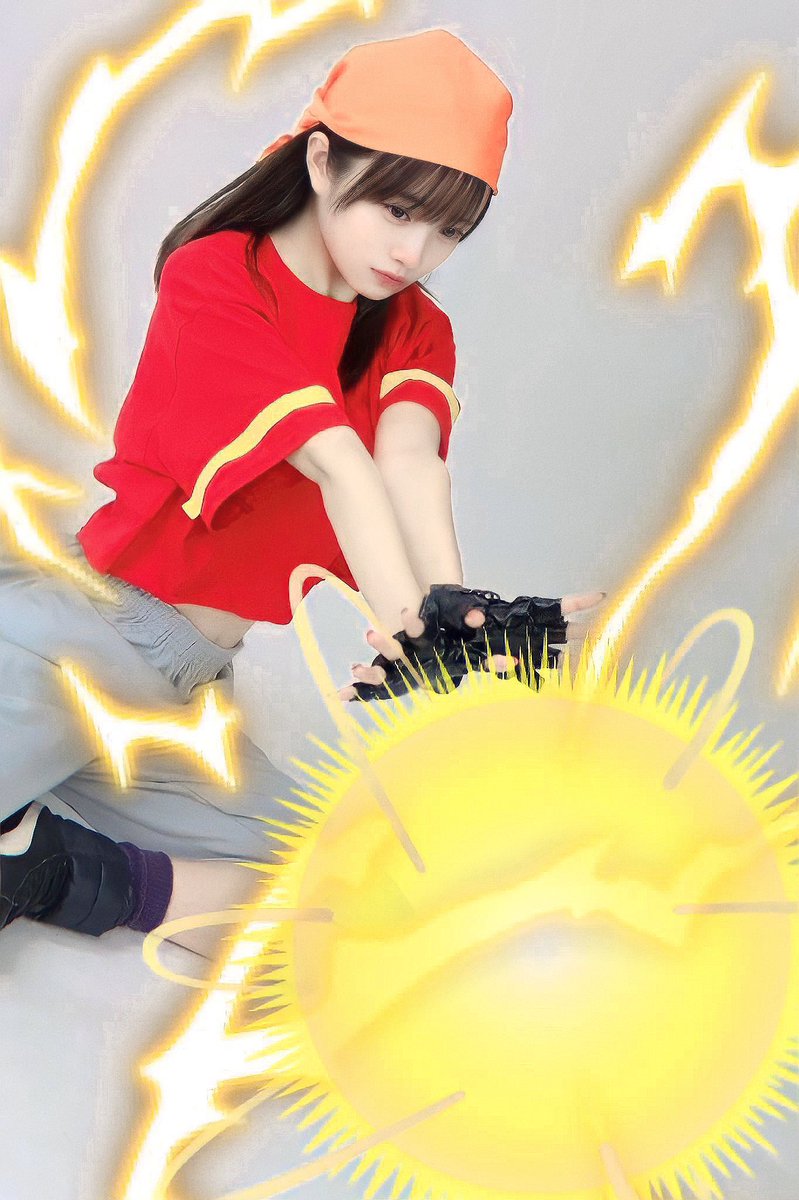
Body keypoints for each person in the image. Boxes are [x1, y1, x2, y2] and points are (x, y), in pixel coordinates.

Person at [0, 29, 603, 955]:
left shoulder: (414, 329)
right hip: (79, 637)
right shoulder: (218, 277)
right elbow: (341, 465)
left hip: (179, 688)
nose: (415, 249)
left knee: (361, 899)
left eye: (449, 229)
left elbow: (409, 462)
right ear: (321, 160)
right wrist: (416, 627)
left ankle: (49, 870)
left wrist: (449, 605)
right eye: (398, 208)